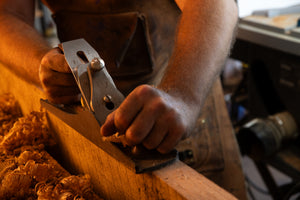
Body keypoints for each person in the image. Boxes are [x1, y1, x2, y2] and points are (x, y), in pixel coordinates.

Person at [0, 0, 238, 154]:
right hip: (90, 115)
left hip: (184, 90)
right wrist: (40, 63)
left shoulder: (184, 92)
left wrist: (183, 95)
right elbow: (6, 14)